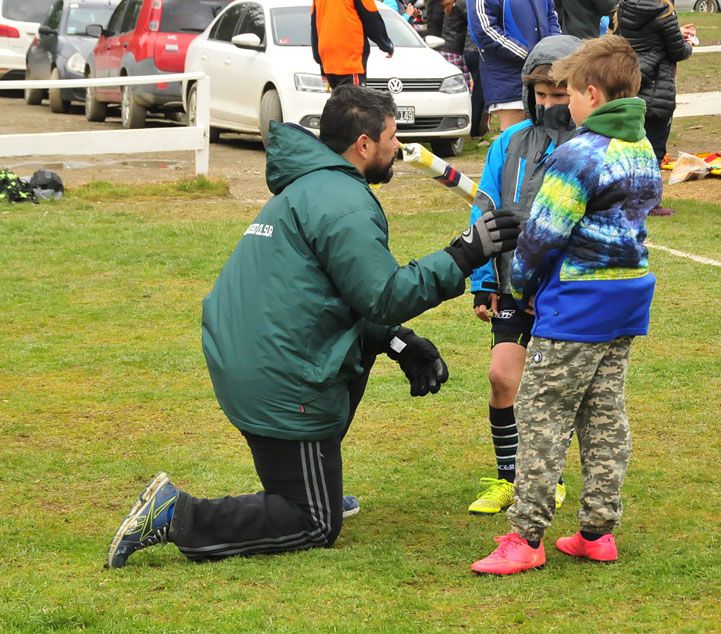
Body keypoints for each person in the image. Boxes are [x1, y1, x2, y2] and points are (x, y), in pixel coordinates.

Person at [106, 85, 522, 569]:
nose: (397, 147)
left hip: (250, 360)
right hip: (275, 376)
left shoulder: (311, 187)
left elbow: (330, 298)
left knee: (362, 365)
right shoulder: (343, 200)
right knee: (314, 522)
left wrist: (396, 339)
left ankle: (313, 481)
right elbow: (383, 294)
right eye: (391, 136)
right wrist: (465, 254)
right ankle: (177, 513)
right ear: (364, 145)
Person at [471, 35, 661, 575]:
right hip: (629, 297)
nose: (564, 104)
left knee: (542, 414)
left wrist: (520, 292)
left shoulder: (578, 154)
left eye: (571, 93)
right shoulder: (641, 148)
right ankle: (597, 532)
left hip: (578, 299)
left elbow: (540, 237)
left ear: (593, 94)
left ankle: (524, 536)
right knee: (604, 413)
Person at [465, 34, 582, 516]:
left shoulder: (591, 145)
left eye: (560, 94)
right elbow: (485, 210)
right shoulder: (508, 143)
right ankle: (508, 478)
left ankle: (548, 478)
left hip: (567, 288)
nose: (550, 103)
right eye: (542, 94)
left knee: (552, 390)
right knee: (501, 378)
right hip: (513, 282)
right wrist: (484, 281)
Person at [614, 0, 694, 217]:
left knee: (629, 142)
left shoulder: (624, 7)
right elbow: (677, 50)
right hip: (658, 85)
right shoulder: (664, 11)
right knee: (655, 146)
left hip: (632, 81)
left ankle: (625, 197)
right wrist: (689, 45)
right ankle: (649, 202)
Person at [466, 0, 561, 131]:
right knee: (514, 137)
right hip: (507, 75)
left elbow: (551, 16)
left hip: (541, 71)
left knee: (547, 133)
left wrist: (552, 51)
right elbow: (484, 30)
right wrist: (529, 55)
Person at [311, 0, 395, 89]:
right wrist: (386, 45)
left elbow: (315, 26)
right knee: (354, 101)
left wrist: (321, 62)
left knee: (339, 101)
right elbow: (372, 19)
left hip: (329, 62)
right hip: (350, 58)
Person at [439, 0, 472, 86]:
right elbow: (474, 19)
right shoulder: (461, 4)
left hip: (446, 49)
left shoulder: (450, 3)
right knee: (460, 85)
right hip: (455, 50)